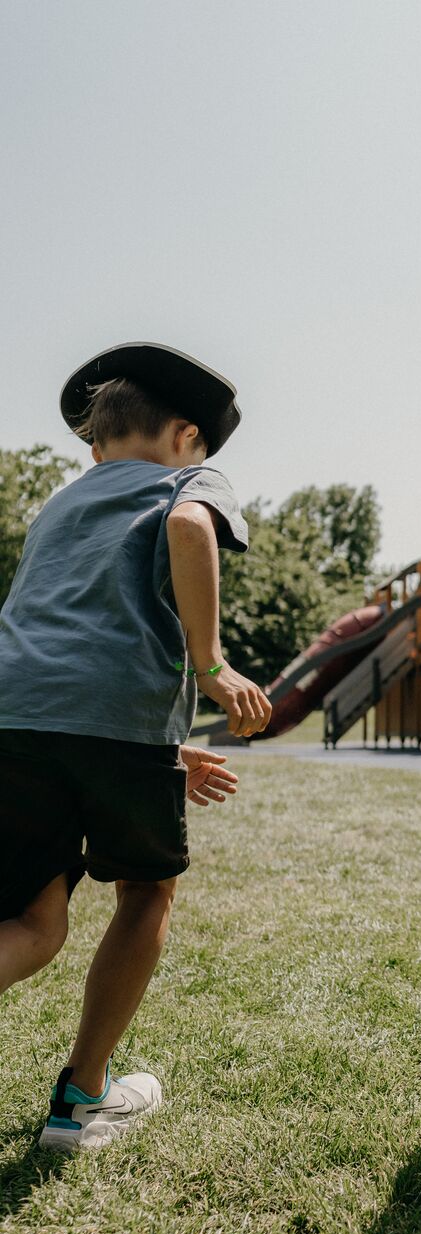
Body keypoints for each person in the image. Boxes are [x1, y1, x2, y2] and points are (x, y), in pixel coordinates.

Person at [0, 342, 272, 1151]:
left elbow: (61, 629)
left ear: (94, 444)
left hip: (15, 714)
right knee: (146, 893)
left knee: (35, 921)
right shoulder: (190, 481)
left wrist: (169, 749)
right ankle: (82, 1098)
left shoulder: (59, 504)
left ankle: (87, 1090)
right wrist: (212, 666)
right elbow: (191, 528)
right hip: (113, 722)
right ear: (187, 435)